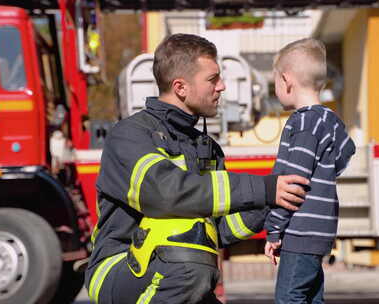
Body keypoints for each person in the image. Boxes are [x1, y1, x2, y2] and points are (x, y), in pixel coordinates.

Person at [84, 33, 310, 304]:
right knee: (186, 247)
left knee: (190, 249)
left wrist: (272, 205)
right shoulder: (130, 136)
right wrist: (263, 187)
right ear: (181, 87)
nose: (223, 86)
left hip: (176, 269)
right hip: (119, 270)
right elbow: (166, 195)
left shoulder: (206, 147)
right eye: (213, 79)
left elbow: (219, 229)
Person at [264, 38, 356, 304]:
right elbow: (346, 152)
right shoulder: (330, 120)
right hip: (321, 229)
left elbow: (293, 182)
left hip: (300, 230)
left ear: (286, 80)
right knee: (312, 297)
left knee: (288, 297)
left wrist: (274, 230)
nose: (276, 90)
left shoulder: (303, 123)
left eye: (275, 84)